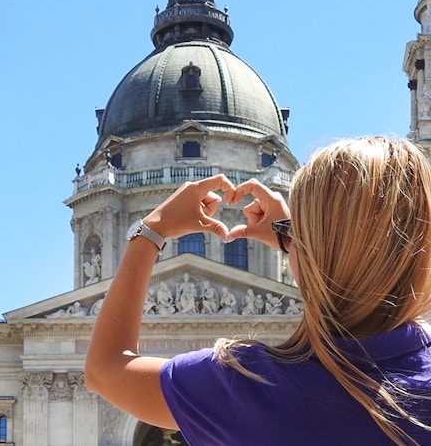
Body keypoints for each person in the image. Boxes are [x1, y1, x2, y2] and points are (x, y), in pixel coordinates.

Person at [85, 137, 431, 445]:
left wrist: (150, 232)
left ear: (305, 253)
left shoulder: (246, 385)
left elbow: (105, 368)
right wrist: (298, 243)